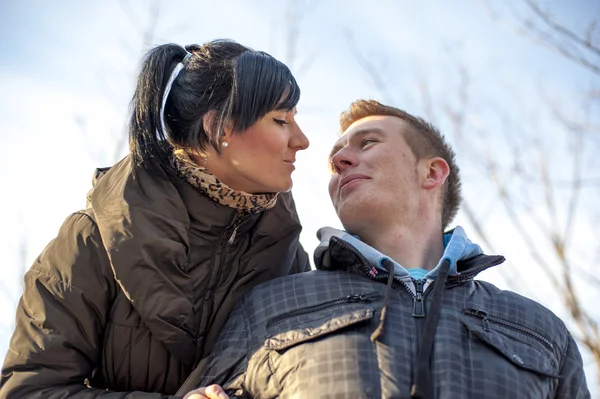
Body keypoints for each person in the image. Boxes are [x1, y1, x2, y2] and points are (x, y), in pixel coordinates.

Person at [181, 99, 590, 399]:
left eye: (367, 143)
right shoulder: (270, 303)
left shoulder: (541, 330)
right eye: (334, 159)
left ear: (431, 172)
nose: (340, 159)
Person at [0, 39, 310, 398]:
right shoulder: (93, 241)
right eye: (281, 120)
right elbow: (29, 391)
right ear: (218, 126)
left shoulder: (289, 259)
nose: (301, 141)